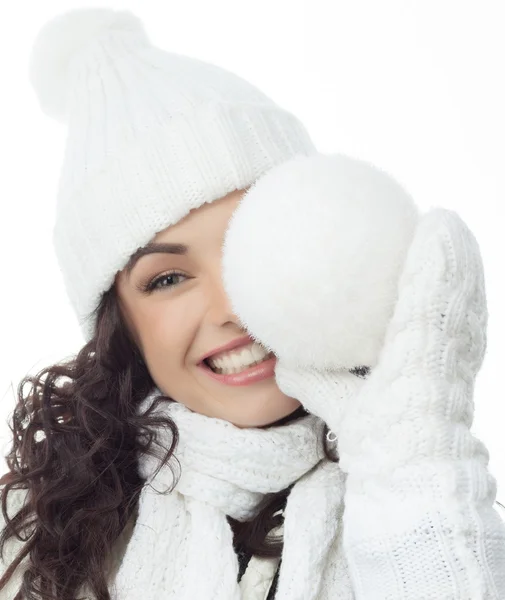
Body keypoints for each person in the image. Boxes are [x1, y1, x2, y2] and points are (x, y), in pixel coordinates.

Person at [1, 7, 504, 600]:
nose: (233, 308)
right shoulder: (35, 538)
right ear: (121, 327)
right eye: (167, 279)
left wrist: (412, 465)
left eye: (252, 240)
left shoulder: (442, 493)